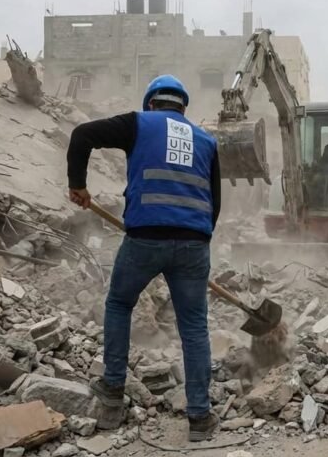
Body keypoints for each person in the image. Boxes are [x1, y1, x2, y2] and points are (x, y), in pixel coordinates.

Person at [66, 75, 222, 441]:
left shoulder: (139, 123)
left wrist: (78, 184)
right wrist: (197, 238)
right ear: (183, 107)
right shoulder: (206, 140)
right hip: (194, 243)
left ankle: (112, 388)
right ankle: (200, 418)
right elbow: (214, 201)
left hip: (145, 238)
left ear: (151, 103)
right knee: (194, 327)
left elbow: (82, 135)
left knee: (120, 304)